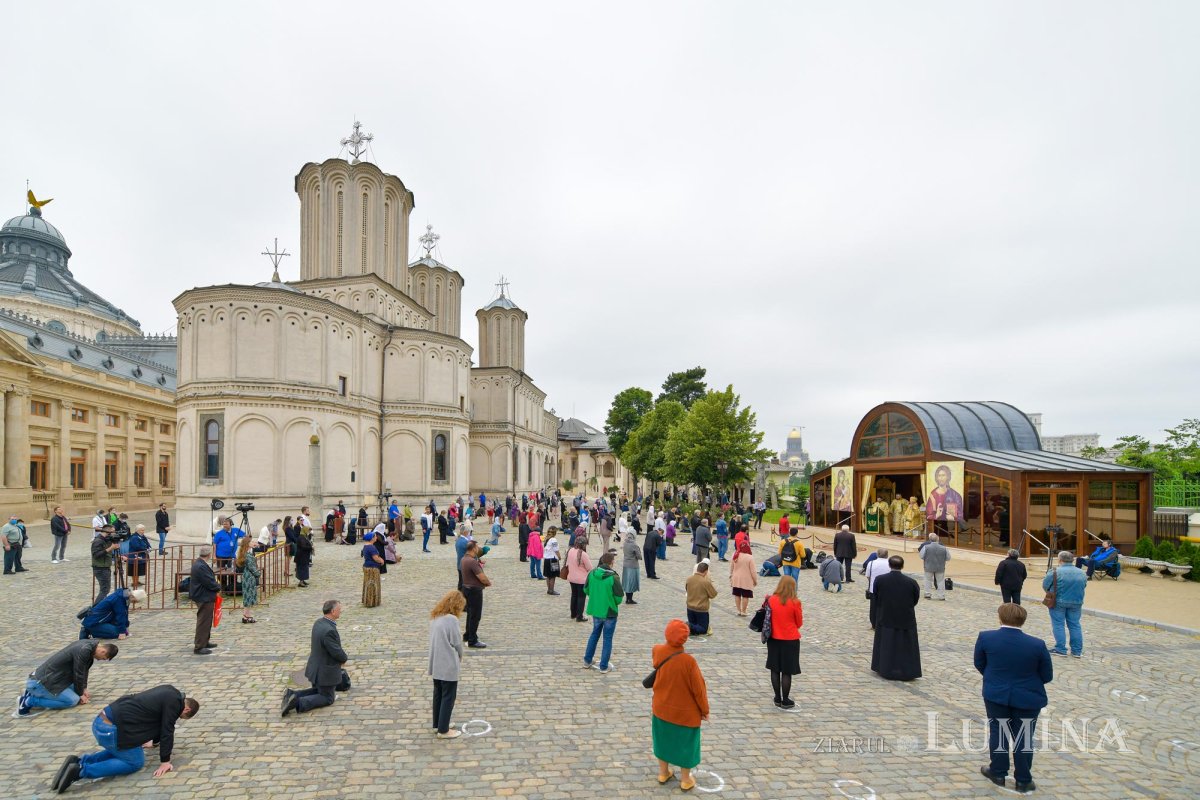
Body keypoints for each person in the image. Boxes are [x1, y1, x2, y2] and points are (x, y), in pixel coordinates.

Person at [51, 685, 200, 792]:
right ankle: (81, 771)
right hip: (110, 730)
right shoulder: (175, 704)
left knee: (126, 750)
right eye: (181, 717)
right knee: (135, 762)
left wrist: (153, 742)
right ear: (186, 709)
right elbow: (167, 730)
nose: (177, 718)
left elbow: (159, 724)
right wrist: (165, 762)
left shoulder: (169, 693)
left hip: (102, 721)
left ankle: (79, 761)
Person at [976, 603, 1053, 794]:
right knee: (1024, 736)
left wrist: (994, 679)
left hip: (997, 694)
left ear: (1000, 618)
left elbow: (979, 663)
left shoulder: (987, 637)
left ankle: (998, 771)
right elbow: (1047, 675)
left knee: (999, 731)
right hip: (1027, 696)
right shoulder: (1037, 644)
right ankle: (1024, 779)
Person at [650, 619, 709, 791]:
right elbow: (699, 690)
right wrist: (705, 711)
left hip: (661, 707)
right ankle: (685, 779)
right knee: (686, 744)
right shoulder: (688, 662)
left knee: (662, 739)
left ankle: (663, 772)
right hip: (685, 712)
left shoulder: (657, 650)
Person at [282, 600, 349, 716]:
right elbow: (336, 651)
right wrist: (344, 658)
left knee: (318, 691)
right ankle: (299, 702)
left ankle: (293, 694)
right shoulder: (329, 630)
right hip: (324, 672)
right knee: (327, 697)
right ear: (333, 611)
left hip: (315, 669)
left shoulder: (318, 623)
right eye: (339, 609)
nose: (340, 611)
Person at [18, 640, 118, 717]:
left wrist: (83, 688)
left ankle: (32, 692)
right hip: (42, 682)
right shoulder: (84, 650)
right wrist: (80, 694)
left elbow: (83, 670)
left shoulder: (90, 646)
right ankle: (29, 701)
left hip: (52, 679)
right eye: (103, 658)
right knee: (72, 700)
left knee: (76, 692)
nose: (100, 660)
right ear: (103, 651)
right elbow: (78, 673)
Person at [870, 555, 922, 681]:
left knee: (887, 644)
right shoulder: (911, 582)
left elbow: (875, 597)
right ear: (902, 566)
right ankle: (907, 670)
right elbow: (915, 599)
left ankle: (885, 668)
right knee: (905, 645)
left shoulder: (880, 580)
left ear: (889, 565)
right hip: (906, 617)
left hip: (886, 616)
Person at [428, 589, 466, 738]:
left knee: (438, 693)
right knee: (448, 695)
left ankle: (438, 724)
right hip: (447, 662)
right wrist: (460, 656)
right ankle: (444, 730)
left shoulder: (436, 617)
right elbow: (457, 642)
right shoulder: (452, 620)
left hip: (436, 661)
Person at [764, 575, 804, 708]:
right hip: (790, 640)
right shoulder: (795, 602)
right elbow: (799, 623)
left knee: (775, 668)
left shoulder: (771, 600)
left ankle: (777, 697)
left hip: (774, 639)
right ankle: (785, 699)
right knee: (786, 671)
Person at [582, 551, 623, 673]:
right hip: (609, 611)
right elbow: (619, 597)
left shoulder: (592, 573)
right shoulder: (613, 577)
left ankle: (587, 660)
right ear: (611, 563)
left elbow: (586, 590)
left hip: (596, 610)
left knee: (594, 634)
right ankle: (604, 666)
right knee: (607, 638)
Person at [1042, 551, 1087, 657]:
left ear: (1060, 560)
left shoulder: (1054, 571)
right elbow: (1084, 585)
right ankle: (1077, 651)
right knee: (1075, 625)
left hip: (1058, 601)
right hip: (1077, 601)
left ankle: (1061, 648)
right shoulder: (1081, 572)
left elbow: (1045, 585)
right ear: (1073, 560)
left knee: (1058, 624)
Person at [188, 546, 220, 656]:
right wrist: (218, 587)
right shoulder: (200, 566)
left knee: (207, 620)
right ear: (209, 555)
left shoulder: (200, 563)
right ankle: (199, 646)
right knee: (203, 621)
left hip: (204, 595)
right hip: (203, 596)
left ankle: (205, 641)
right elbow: (208, 581)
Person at [79, 588, 144, 640]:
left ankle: (93, 630)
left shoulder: (124, 597)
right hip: (94, 622)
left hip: (100, 620)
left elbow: (124, 614)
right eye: (135, 601)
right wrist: (122, 632)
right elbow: (120, 616)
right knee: (117, 633)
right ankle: (90, 630)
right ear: (132, 596)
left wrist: (126, 628)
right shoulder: (119, 600)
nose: (134, 603)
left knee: (120, 630)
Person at [459, 542, 491, 648]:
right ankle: (472, 640)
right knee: (475, 615)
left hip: (466, 588)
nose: (478, 549)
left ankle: (468, 635)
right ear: (473, 549)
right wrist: (487, 582)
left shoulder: (463, 559)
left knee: (470, 614)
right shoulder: (472, 561)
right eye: (477, 547)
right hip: (474, 591)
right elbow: (481, 576)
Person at [685, 560, 719, 636]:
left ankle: (690, 626)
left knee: (694, 628)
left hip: (690, 607)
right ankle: (688, 625)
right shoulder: (705, 582)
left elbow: (686, 589)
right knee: (703, 629)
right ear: (706, 571)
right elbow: (713, 595)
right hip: (701, 609)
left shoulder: (689, 579)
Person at [566, 538, 593, 622]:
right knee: (581, 597)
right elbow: (590, 568)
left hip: (571, 577)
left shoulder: (570, 551)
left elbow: (567, 563)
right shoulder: (583, 554)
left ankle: (573, 613)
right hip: (581, 579)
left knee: (574, 595)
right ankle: (579, 616)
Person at [919, 532, 951, 600]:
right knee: (940, 581)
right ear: (938, 539)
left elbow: (921, 556)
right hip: (940, 567)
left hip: (928, 566)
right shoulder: (944, 548)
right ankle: (941, 596)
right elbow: (948, 558)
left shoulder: (926, 547)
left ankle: (927, 594)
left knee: (927, 580)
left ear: (930, 539)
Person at [236, 533, 260, 623]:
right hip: (249, 576)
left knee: (247, 596)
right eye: (251, 542)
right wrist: (258, 574)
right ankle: (247, 615)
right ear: (247, 544)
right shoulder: (247, 555)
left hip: (247, 575)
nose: (253, 542)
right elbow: (252, 567)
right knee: (248, 596)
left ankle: (246, 615)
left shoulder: (246, 553)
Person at [90, 529, 120, 600]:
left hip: (105, 567)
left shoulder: (106, 540)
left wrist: (118, 556)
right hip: (100, 568)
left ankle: (100, 607)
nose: (114, 533)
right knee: (105, 590)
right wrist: (110, 548)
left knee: (105, 589)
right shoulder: (98, 541)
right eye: (112, 531)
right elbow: (96, 555)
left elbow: (107, 555)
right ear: (107, 532)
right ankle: (96, 608)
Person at [729, 539, 757, 615]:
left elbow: (731, 567)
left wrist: (731, 575)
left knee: (737, 594)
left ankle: (738, 610)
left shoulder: (735, 555)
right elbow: (753, 571)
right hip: (746, 580)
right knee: (745, 595)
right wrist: (755, 580)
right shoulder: (750, 557)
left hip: (736, 578)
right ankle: (744, 611)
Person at [865, 548, 891, 628]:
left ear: (877, 554)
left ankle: (874, 623)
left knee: (874, 607)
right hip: (887, 589)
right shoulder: (890, 563)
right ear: (887, 555)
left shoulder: (871, 563)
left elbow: (868, 576)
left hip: (874, 588)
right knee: (886, 607)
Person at [360, 532, 384, 607]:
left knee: (368, 583)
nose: (376, 538)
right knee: (373, 583)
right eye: (375, 537)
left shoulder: (366, 546)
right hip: (372, 568)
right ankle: (372, 600)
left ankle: (367, 599)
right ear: (372, 538)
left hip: (367, 566)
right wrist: (381, 561)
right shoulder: (371, 547)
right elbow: (375, 558)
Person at [125, 524, 151, 590]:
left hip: (141, 556)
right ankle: (134, 582)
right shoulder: (134, 537)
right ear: (137, 530)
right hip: (134, 556)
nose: (143, 531)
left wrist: (149, 547)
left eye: (143, 530)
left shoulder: (142, 536)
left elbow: (147, 543)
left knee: (139, 569)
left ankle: (137, 581)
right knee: (134, 569)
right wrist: (145, 548)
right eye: (141, 530)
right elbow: (136, 546)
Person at [621, 527, 641, 605]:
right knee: (631, 582)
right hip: (633, 565)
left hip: (625, 564)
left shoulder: (625, 542)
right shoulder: (634, 544)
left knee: (626, 582)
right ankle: (630, 599)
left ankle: (627, 598)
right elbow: (639, 556)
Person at [544, 526, 562, 596]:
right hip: (553, 559)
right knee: (552, 576)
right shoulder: (553, 540)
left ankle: (549, 589)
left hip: (547, 559)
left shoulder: (546, 539)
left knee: (548, 576)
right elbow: (556, 550)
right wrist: (559, 557)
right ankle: (551, 590)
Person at [294, 523, 313, 587]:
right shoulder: (301, 537)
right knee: (301, 569)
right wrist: (310, 547)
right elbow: (303, 546)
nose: (309, 532)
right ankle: (301, 582)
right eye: (308, 531)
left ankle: (303, 580)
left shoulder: (304, 536)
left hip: (304, 556)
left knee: (305, 568)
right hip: (301, 556)